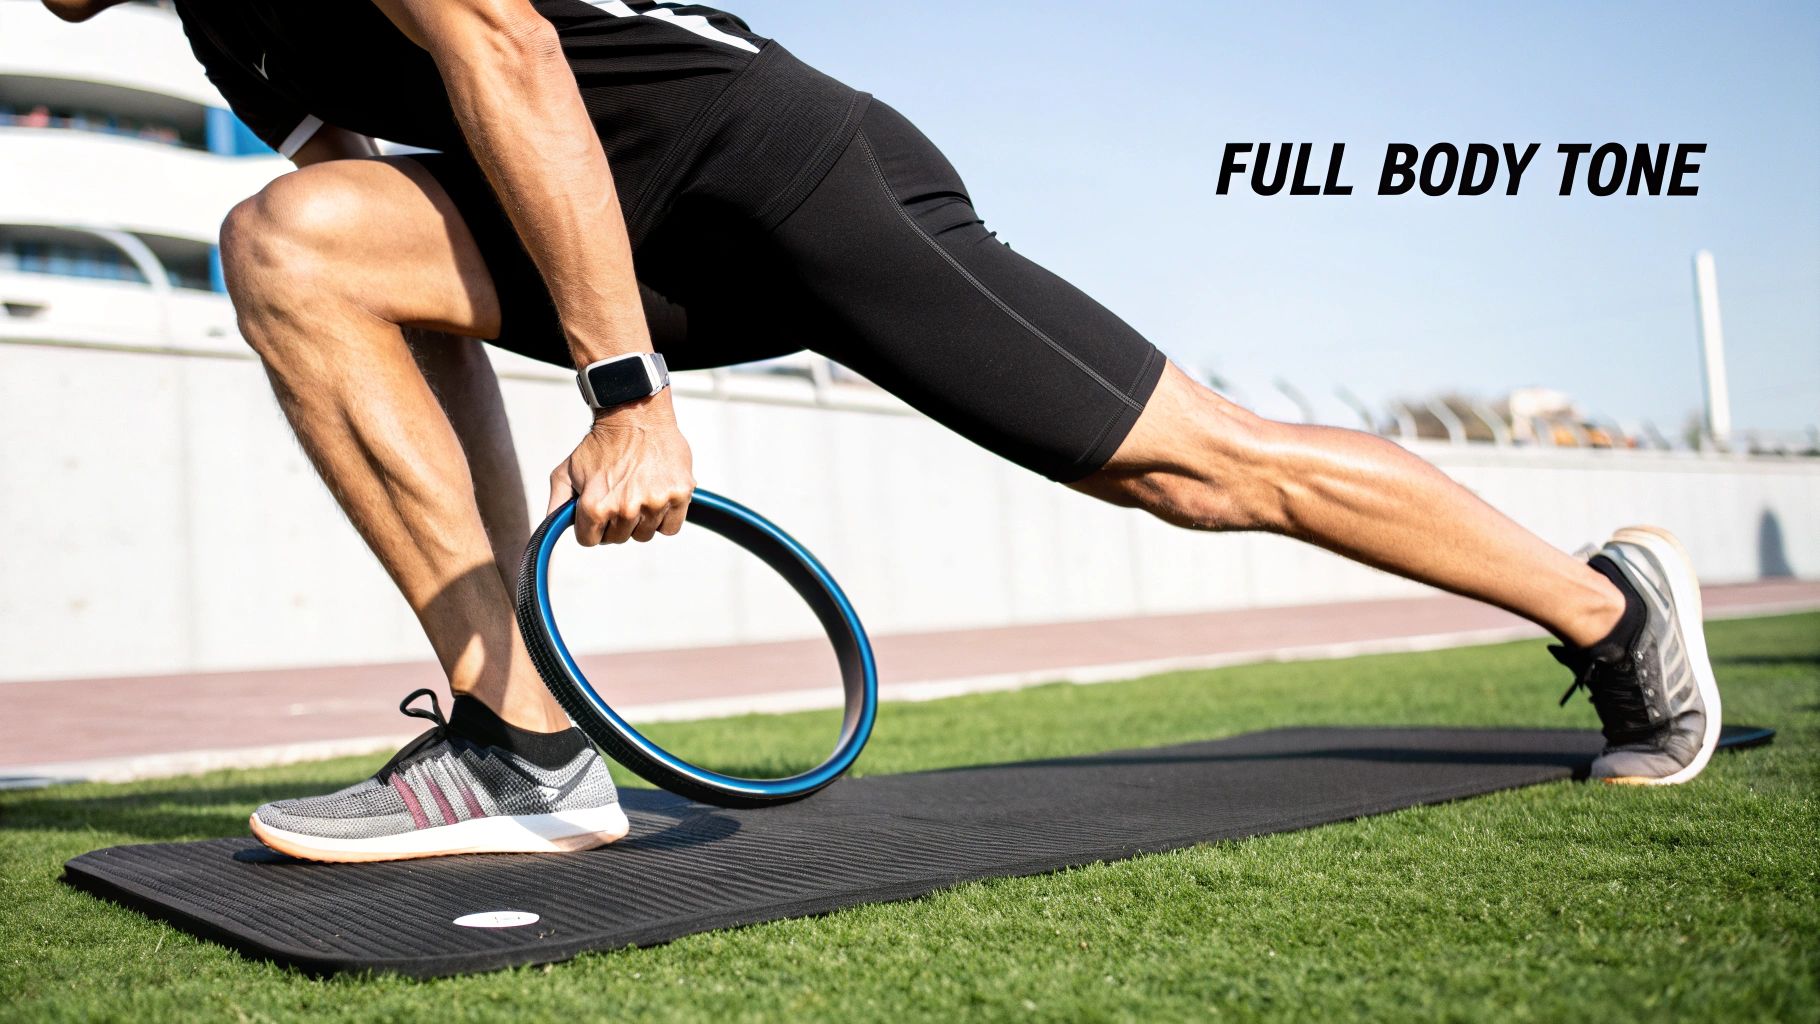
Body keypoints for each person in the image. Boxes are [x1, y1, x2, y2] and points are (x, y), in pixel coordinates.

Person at [43, 0, 1722, 863]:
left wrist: (626, 391)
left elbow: (514, 54)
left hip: (788, 181)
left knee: (1194, 469)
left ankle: (1608, 609)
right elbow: (378, 251)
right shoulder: (225, 20)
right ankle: (520, 742)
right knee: (297, 242)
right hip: (629, 232)